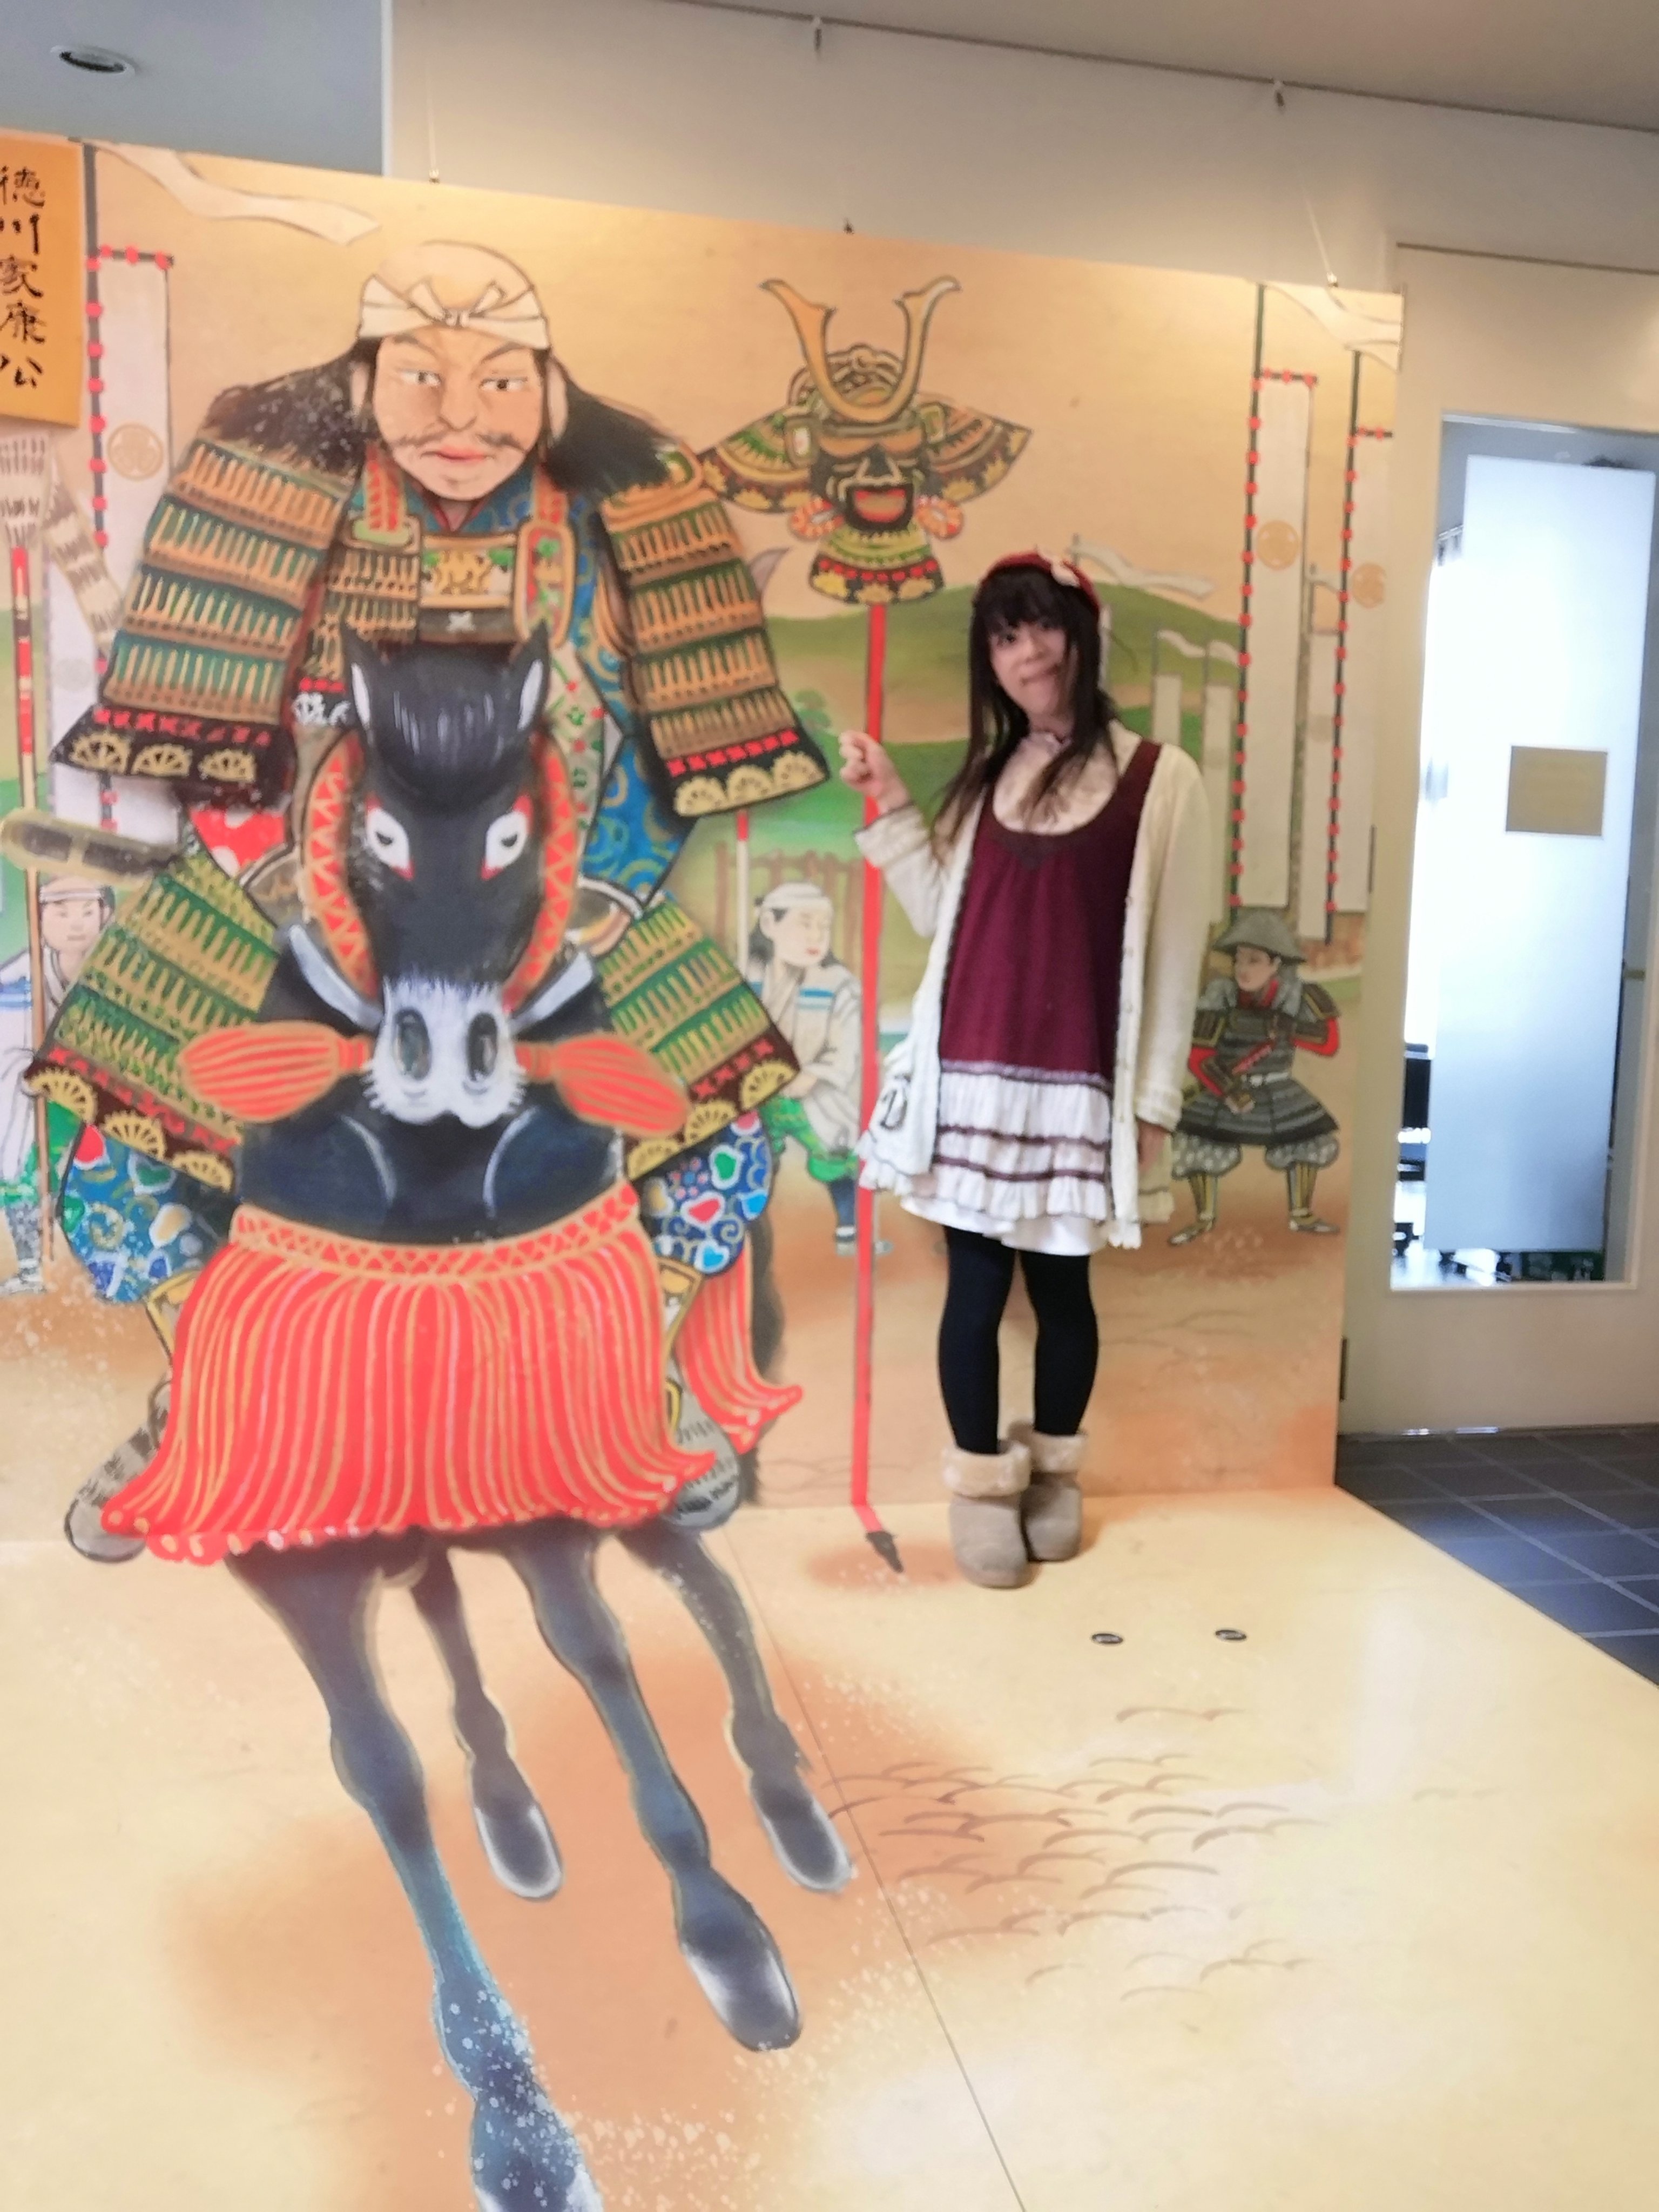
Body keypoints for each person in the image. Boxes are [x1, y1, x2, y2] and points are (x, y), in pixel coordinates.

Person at [38, 240, 823, 1551]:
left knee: (728, 1123)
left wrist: (603, 896)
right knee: (110, 1129)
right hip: (284, 892)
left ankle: (643, 1385)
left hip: (560, 895)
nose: (462, 416)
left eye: (501, 381)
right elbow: (216, 733)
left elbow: (659, 745)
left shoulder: (610, 520)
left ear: (549, 391)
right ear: (363, 377)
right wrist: (277, 878)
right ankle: (203, 1392)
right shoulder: (280, 493)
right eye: (422, 376)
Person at [840, 551, 1209, 1588]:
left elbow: (1177, 948)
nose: (1027, 653)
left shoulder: (1159, 779)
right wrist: (888, 799)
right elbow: (941, 917)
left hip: (1076, 1090)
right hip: (969, 1081)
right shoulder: (988, 775)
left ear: (1082, 634)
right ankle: (980, 1488)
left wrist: (1153, 1101)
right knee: (973, 1289)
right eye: (1004, 638)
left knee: (1063, 1289)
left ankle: (1054, 1476)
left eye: (1041, 627)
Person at [1168, 908, 1340, 1245]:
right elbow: (1199, 1055)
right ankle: (1204, 1218)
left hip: (1279, 1087)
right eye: (1239, 959)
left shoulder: (1300, 996)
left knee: (1308, 1138)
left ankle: (1302, 1213)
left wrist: (1289, 1028)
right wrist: (1229, 1091)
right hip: (1227, 1086)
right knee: (1198, 1140)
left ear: (1276, 963)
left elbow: (1329, 1042)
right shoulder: (1220, 995)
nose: (1243, 969)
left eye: (1254, 960)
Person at [0, 876, 113, 1294]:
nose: (76, 924)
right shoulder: (16, 982)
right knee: (23, 1170)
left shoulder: (117, 975)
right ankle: (32, 1264)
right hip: (38, 1106)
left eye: (86, 912)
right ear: (39, 918)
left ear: (104, 914)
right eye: (61, 913)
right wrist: (27, 1071)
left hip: (101, 1107)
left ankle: (107, 1272)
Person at [748, 881, 861, 1250]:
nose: (816, 936)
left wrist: (813, 1075)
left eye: (823, 927)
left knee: (836, 1155)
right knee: (755, 1159)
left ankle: (849, 1222)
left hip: (810, 1094)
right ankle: (750, 1229)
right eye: (805, 924)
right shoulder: (747, 976)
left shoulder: (838, 985)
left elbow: (847, 1045)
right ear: (770, 924)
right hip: (757, 1095)